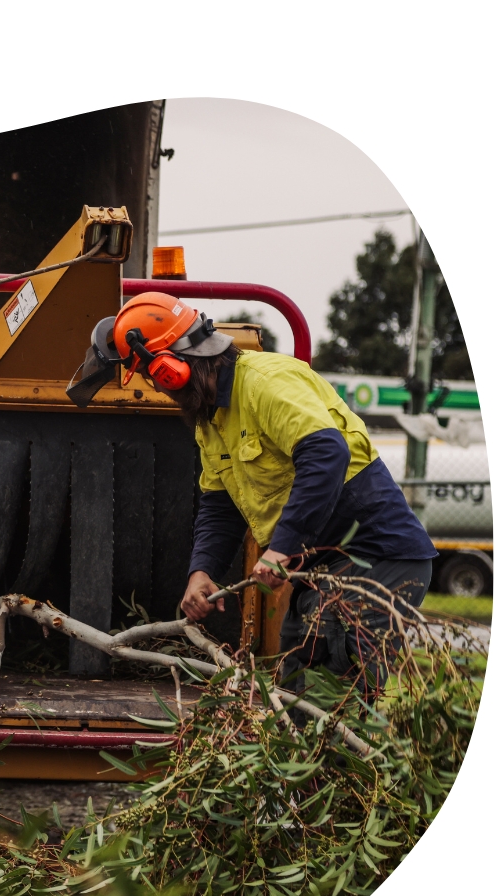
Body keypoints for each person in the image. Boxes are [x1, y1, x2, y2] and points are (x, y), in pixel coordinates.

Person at [109, 291, 437, 698]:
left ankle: (344, 758)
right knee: (294, 681)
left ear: (170, 367)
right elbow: (219, 506)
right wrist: (202, 571)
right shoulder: (210, 421)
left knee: (328, 690)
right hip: (322, 569)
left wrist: (282, 547)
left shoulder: (264, 382)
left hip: (378, 558)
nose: (160, 388)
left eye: (152, 376)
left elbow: (326, 451)